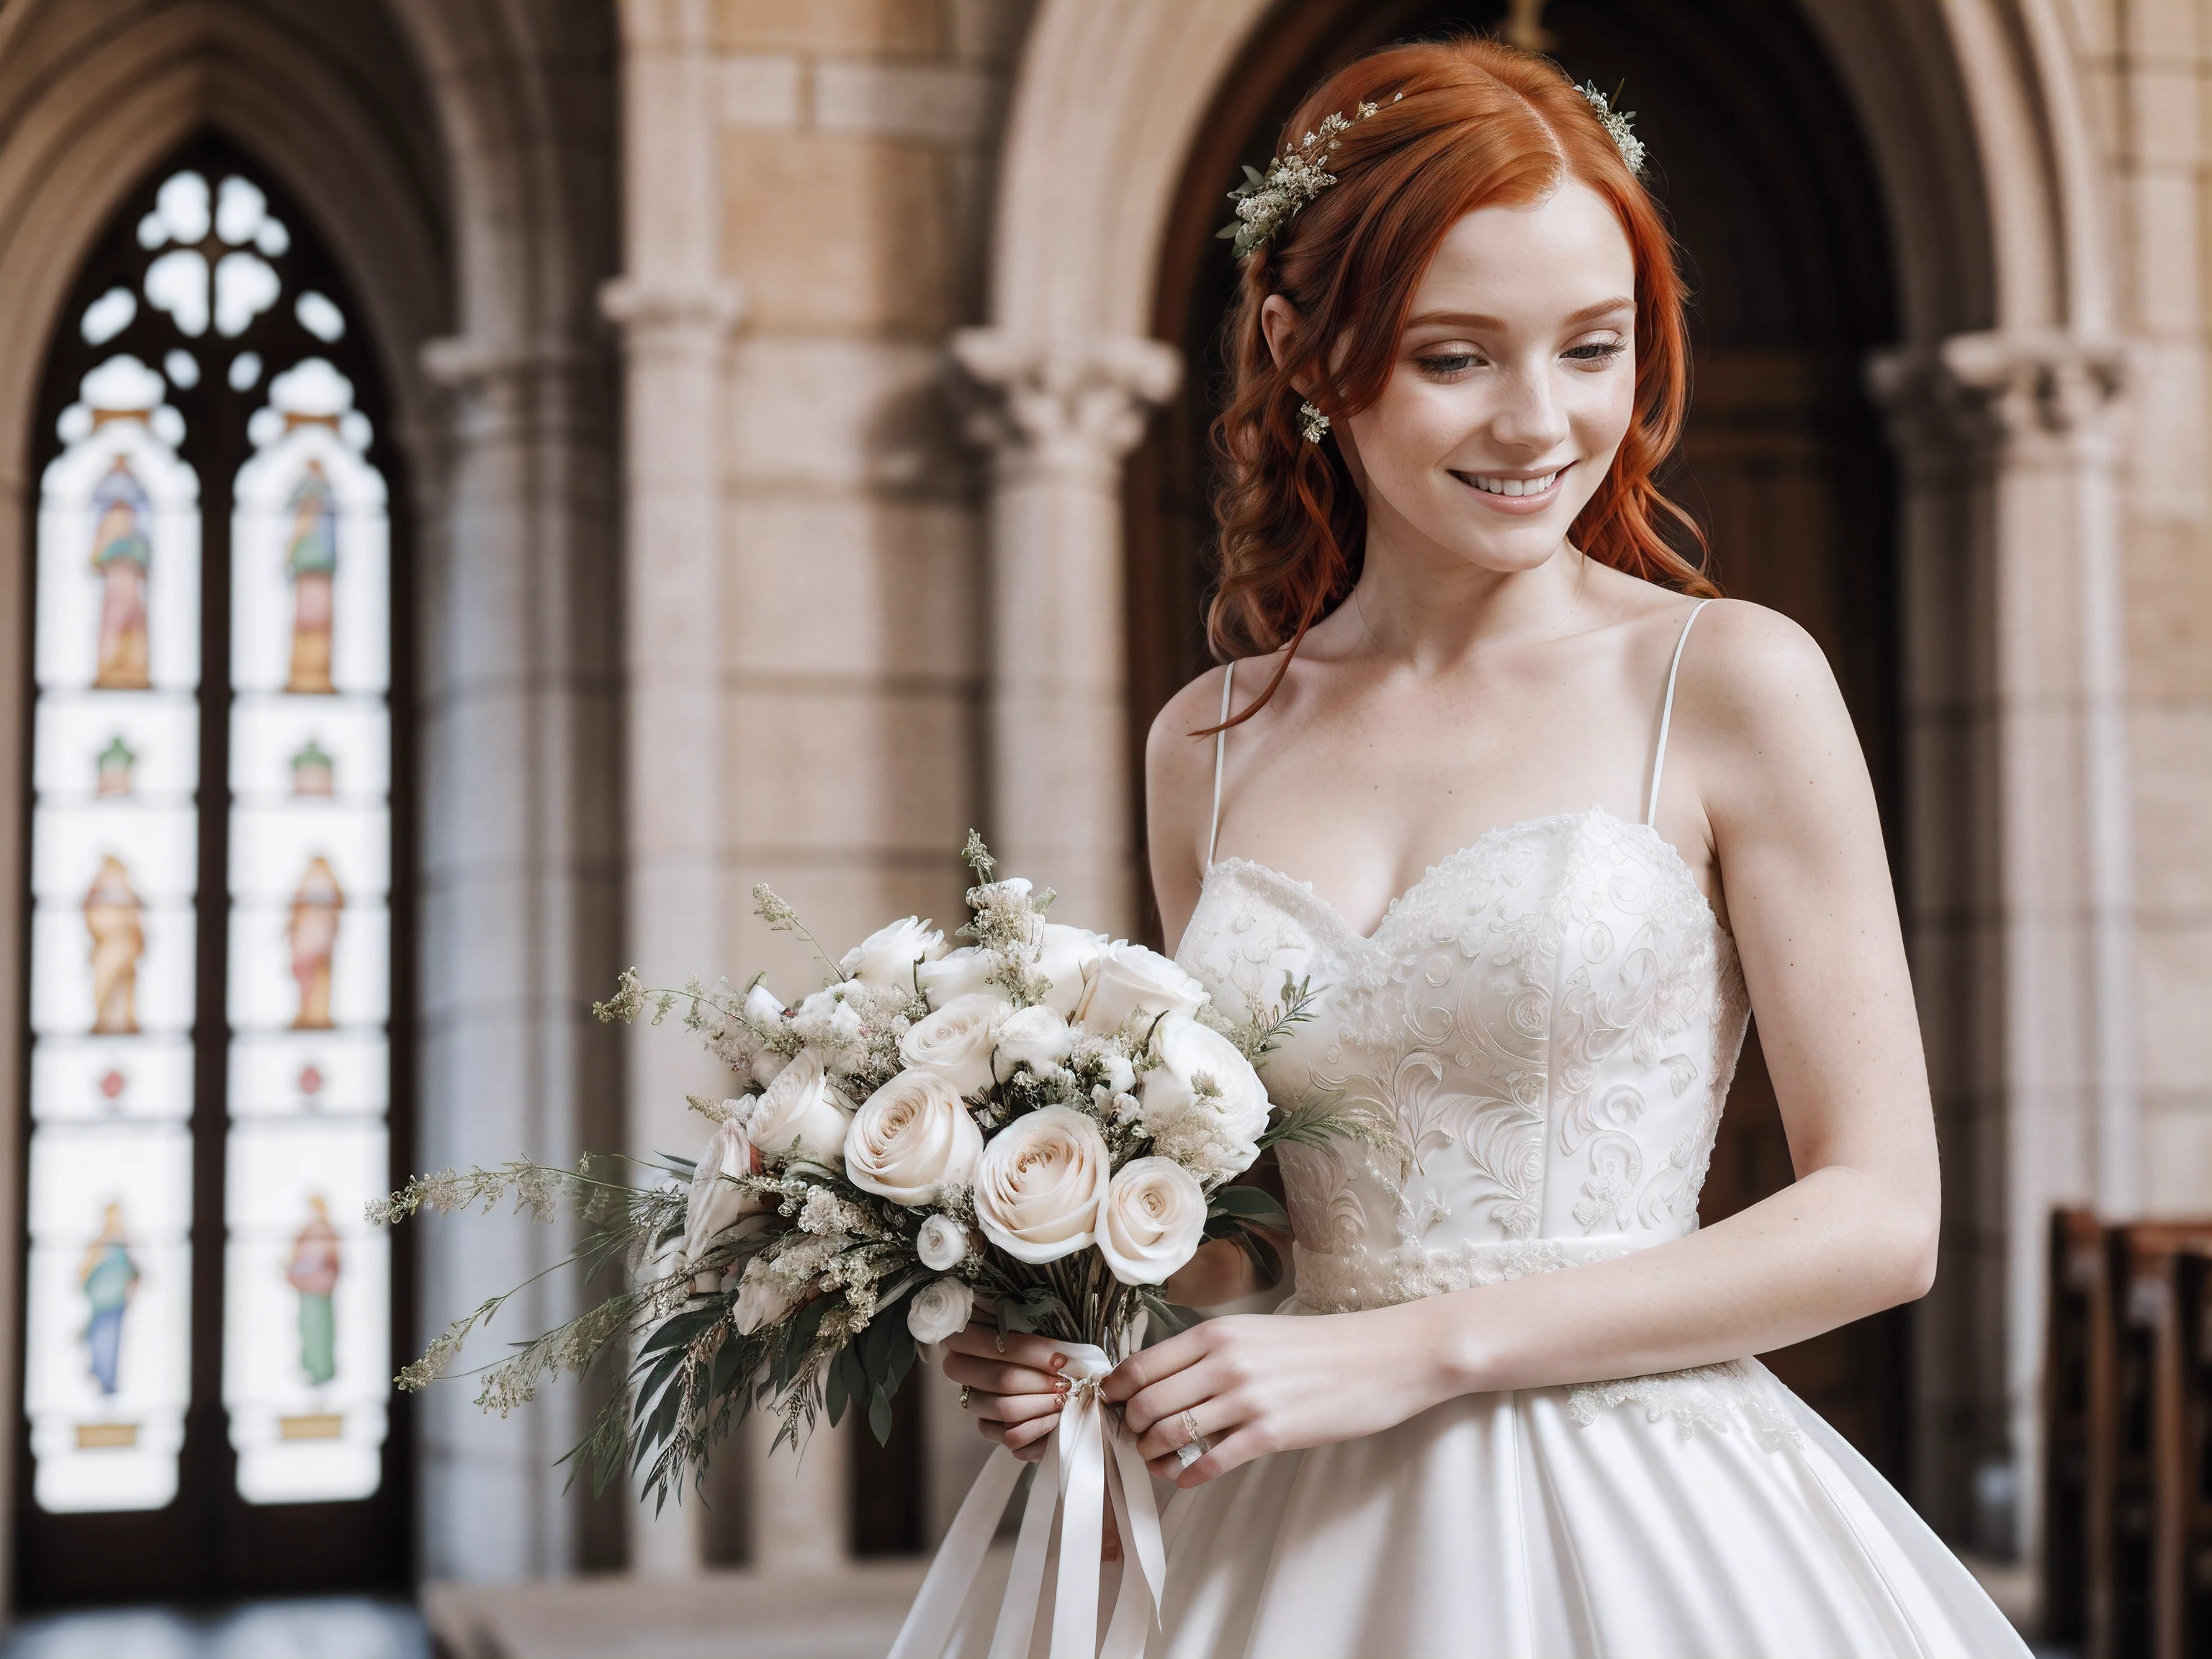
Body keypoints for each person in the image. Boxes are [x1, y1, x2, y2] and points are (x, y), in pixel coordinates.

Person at [940, 35, 2031, 1657]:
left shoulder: (1726, 682)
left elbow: (1882, 1213)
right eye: (1458, 358)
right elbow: (1256, 1231)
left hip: (1634, 1511)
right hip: (1274, 1517)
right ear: (1310, 352)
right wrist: (1087, 1323)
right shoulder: (1208, 745)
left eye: (1592, 347)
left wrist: (1417, 1351)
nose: (1541, 422)